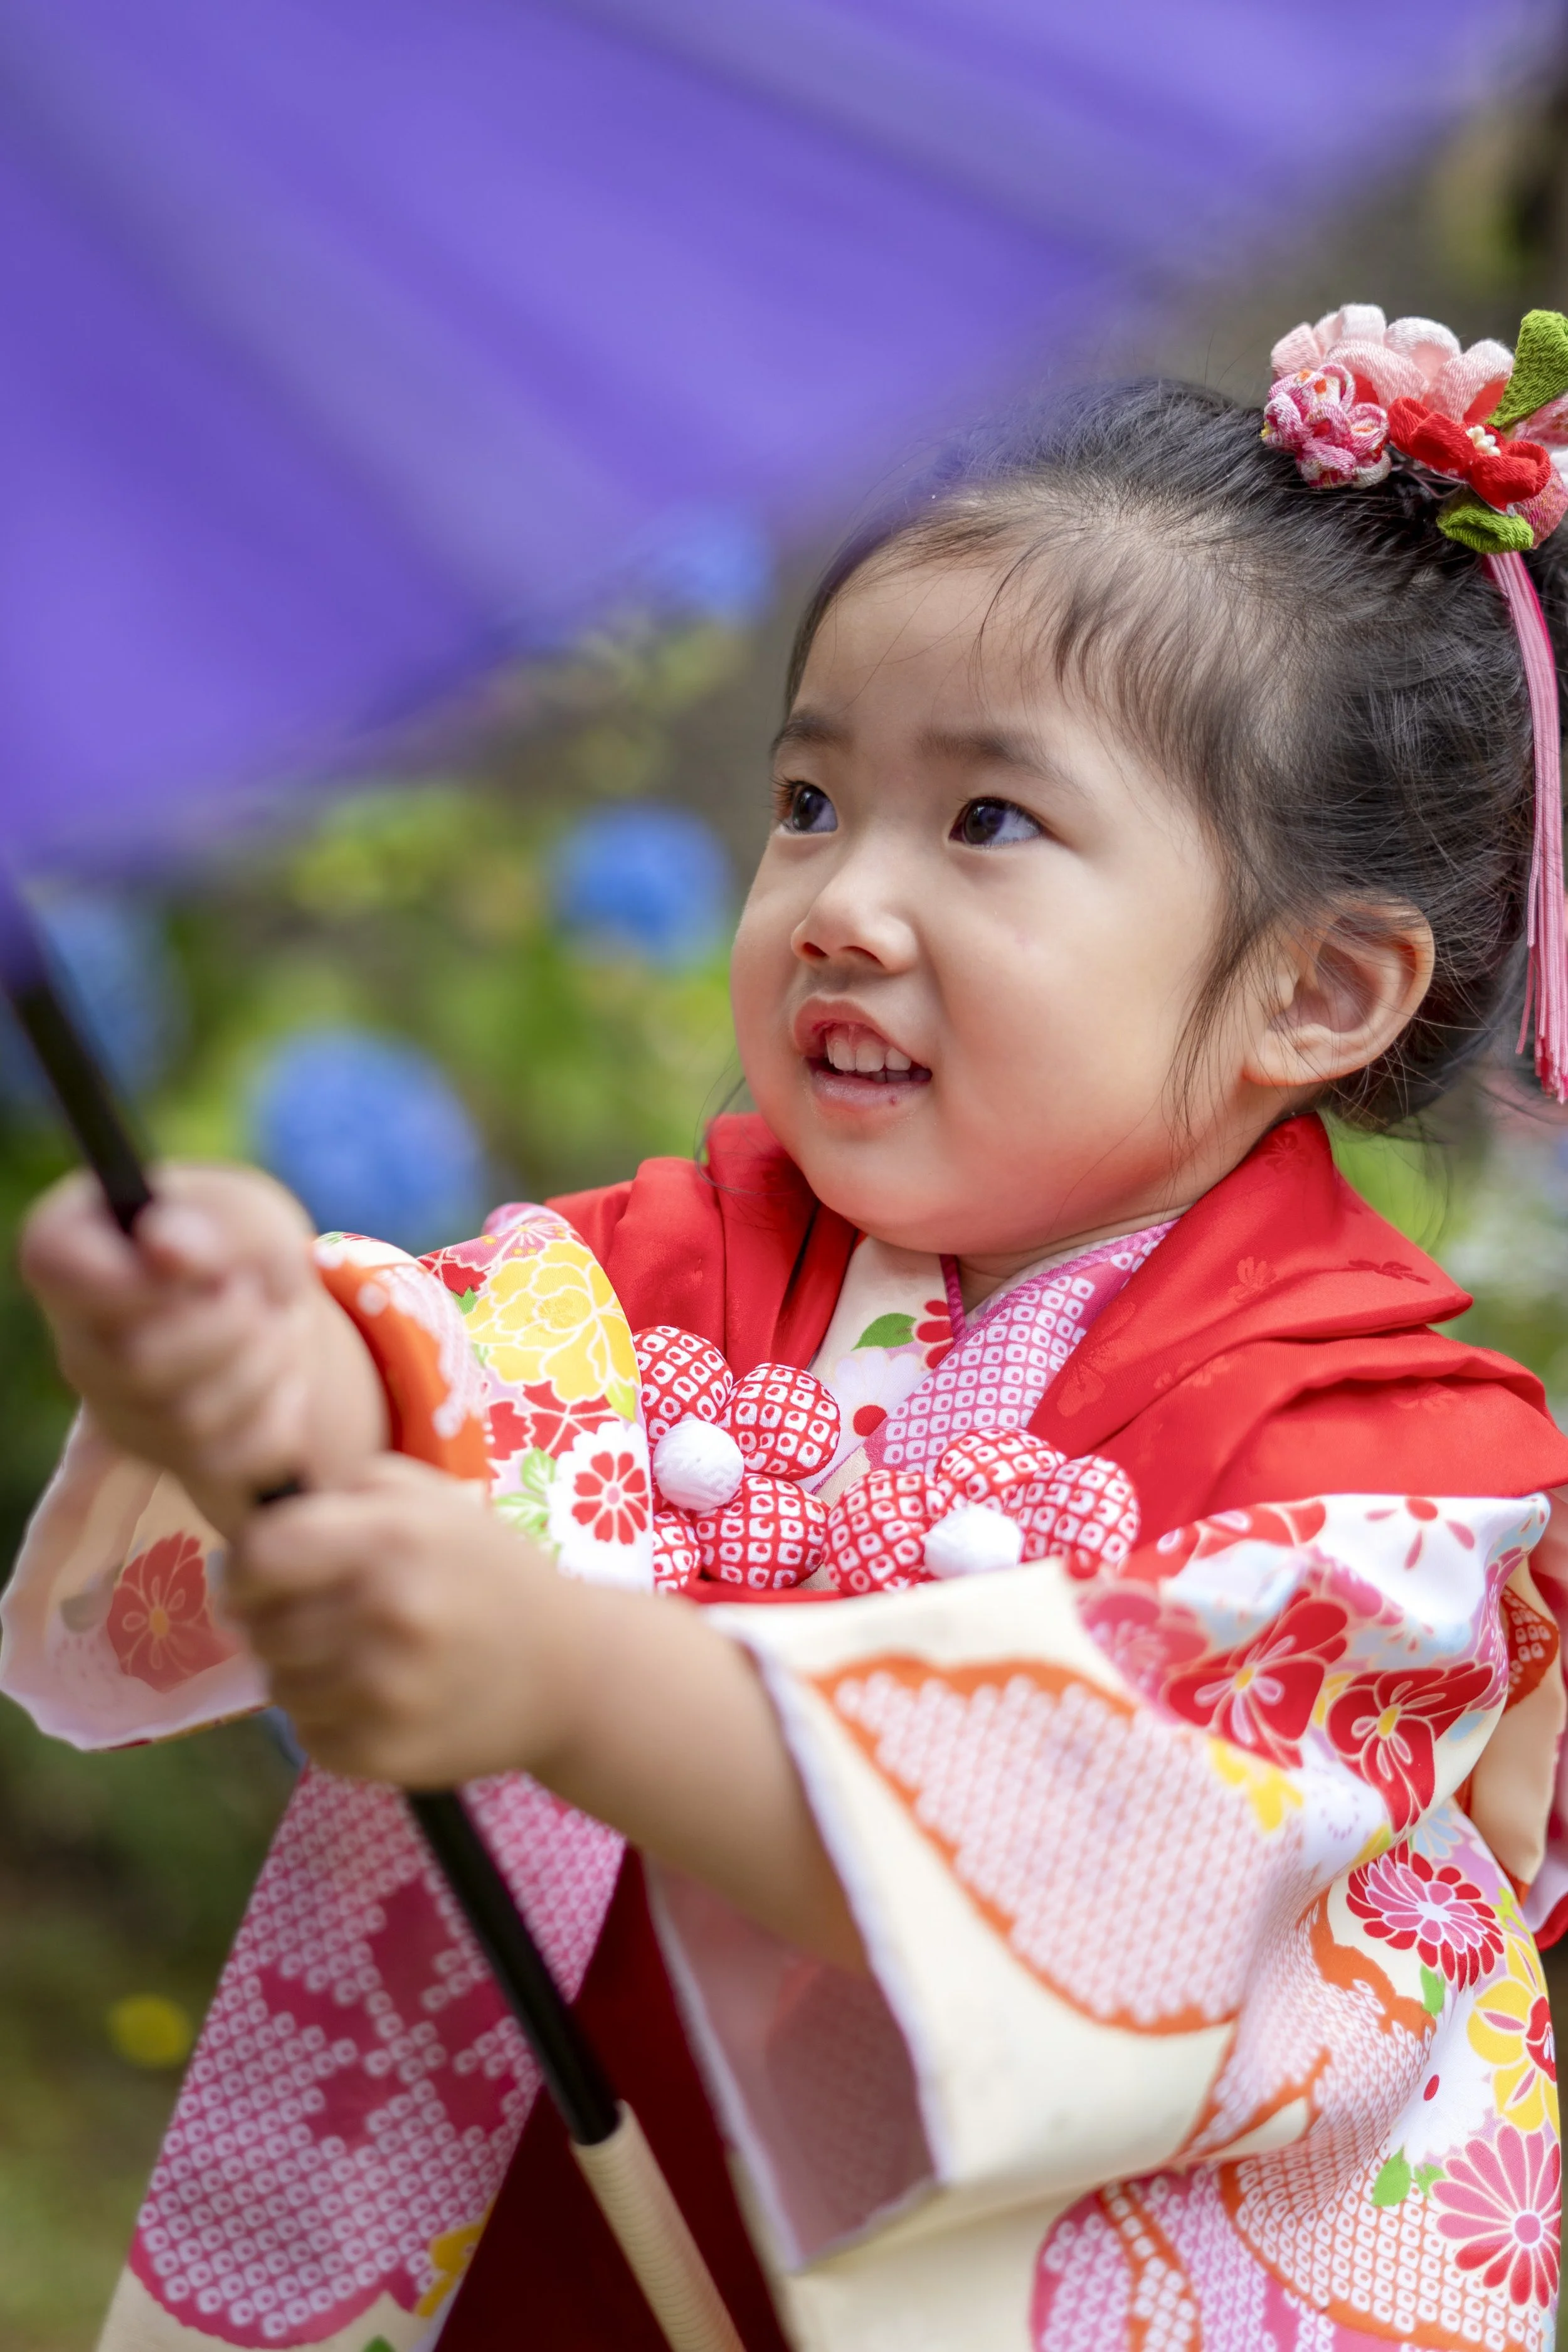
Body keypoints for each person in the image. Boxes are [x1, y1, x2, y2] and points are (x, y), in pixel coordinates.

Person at [11, 305, 1568, 2352]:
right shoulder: (688, 1263)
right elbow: (421, 1389)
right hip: (554, 2255)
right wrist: (233, 1343)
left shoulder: (1389, 1467)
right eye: (812, 797)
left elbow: (1084, 1869)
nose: (839, 901)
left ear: (1317, 989)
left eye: (986, 822)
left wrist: (565, 1669)